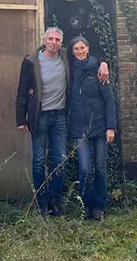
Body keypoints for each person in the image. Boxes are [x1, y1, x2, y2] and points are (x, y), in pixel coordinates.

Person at [16, 27, 108, 216]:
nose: (54, 42)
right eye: (50, 39)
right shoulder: (30, 62)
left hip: (59, 117)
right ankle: (41, 203)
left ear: (61, 43)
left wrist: (103, 62)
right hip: (39, 116)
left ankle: (55, 199)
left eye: (58, 40)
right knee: (39, 160)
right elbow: (22, 92)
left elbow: (89, 54)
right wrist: (20, 118)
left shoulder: (66, 57)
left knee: (60, 161)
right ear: (44, 40)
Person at [67, 35, 116, 221]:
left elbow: (109, 101)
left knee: (101, 168)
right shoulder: (69, 70)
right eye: (76, 49)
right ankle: (84, 205)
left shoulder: (98, 70)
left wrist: (111, 127)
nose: (79, 52)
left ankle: (99, 207)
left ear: (88, 48)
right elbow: (50, 50)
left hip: (100, 126)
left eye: (82, 48)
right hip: (79, 128)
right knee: (85, 169)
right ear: (72, 52)